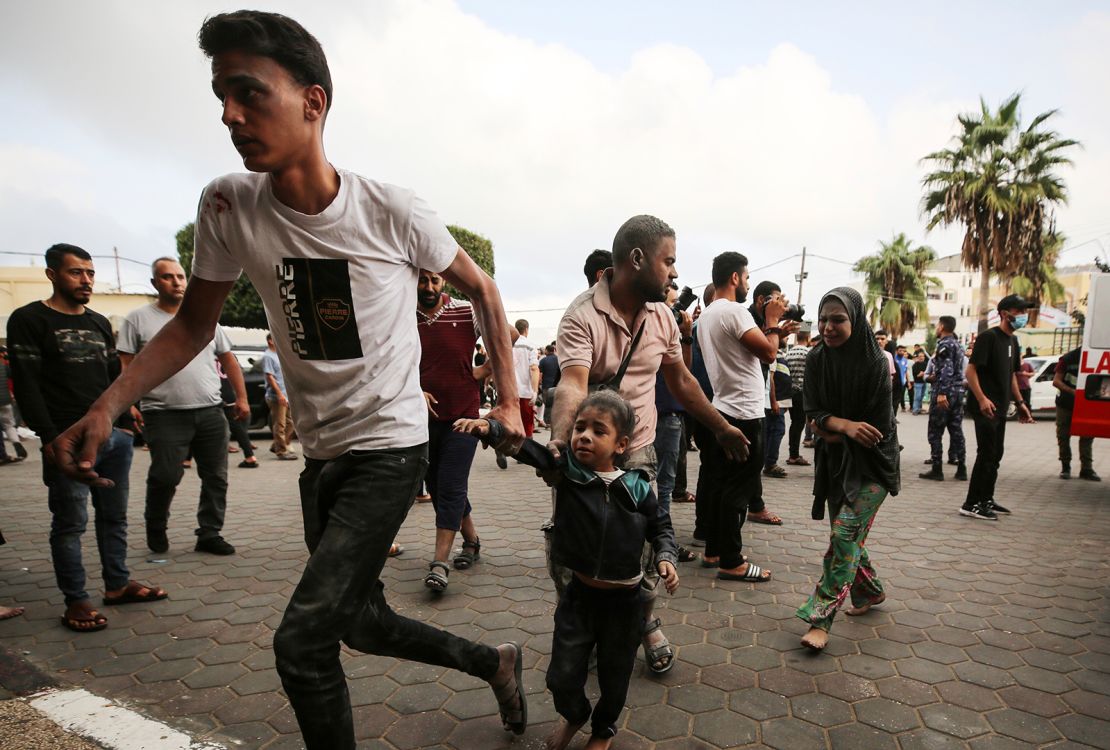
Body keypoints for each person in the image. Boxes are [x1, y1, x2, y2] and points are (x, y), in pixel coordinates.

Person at [45, 12, 528, 749]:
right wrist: (109, 404)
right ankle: (493, 661)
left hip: (391, 451)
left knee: (302, 646)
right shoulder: (228, 205)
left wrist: (514, 406)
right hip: (321, 456)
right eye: (221, 98)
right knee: (360, 623)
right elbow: (191, 327)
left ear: (313, 101)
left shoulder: (390, 208)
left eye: (248, 92)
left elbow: (485, 291)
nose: (230, 115)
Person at [550, 216, 750, 676]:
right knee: (578, 544)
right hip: (586, 454)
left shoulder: (662, 316)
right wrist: (564, 443)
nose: (675, 273)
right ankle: (583, 624)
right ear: (637, 259)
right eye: (670, 261)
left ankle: (644, 621)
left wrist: (719, 427)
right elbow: (572, 385)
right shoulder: (581, 316)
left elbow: (680, 381)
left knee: (639, 546)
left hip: (638, 449)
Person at [456, 391, 678, 750]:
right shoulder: (568, 474)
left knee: (614, 676)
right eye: (580, 427)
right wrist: (490, 429)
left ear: (621, 444)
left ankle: (603, 730)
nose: (584, 436)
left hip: (626, 605)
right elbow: (529, 451)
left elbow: (661, 527)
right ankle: (575, 715)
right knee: (561, 676)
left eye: (598, 431)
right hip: (578, 598)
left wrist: (666, 556)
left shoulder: (637, 487)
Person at [8, 243, 166, 633]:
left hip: (112, 437)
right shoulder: (29, 320)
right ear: (52, 275)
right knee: (70, 523)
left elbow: (115, 376)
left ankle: (116, 585)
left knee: (113, 517)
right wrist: (48, 438)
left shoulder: (97, 322)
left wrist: (127, 421)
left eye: (90, 273)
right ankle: (76, 600)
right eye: (76, 272)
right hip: (66, 440)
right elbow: (26, 386)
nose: (86, 280)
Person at [118, 258, 249, 556]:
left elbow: (228, 359)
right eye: (167, 277)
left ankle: (210, 532)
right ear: (155, 283)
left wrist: (241, 398)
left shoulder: (204, 317)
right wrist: (128, 404)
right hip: (162, 414)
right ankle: (156, 525)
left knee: (216, 476)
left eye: (180, 276)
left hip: (210, 410)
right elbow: (125, 363)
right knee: (166, 475)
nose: (176, 282)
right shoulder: (138, 319)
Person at [796, 287, 899, 651]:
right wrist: (842, 426)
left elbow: (876, 432)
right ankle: (870, 591)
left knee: (843, 535)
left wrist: (829, 427)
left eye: (837, 320)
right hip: (835, 466)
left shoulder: (876, 361)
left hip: (874, 466)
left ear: (855, 319)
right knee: (849, 537)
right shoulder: (816, 360)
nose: (827, 327)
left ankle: (820, 619)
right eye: (823, 319)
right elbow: (812, 418)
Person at [697, 253, 798, 583]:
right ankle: (732, 561)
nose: (749, 283)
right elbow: (768, 353)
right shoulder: (735, 310)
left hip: (723, 406)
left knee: (720, 484)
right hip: (744, 412)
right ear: (736, 279)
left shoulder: (709, 314)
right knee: (738, 489)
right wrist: (770, 323)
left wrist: (774, 330)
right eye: (748, 277)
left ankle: (713, 550)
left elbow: (746, 352)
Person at [416, 269, 488, 592]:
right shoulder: (402, 314)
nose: (429, 286)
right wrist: (415, 389)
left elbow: (509, 335)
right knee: (435, 482)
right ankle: (471, 541)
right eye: (422, 279)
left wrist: (481, 370)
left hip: (464, 415)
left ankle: (439, 562)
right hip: (423, 418)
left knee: (451, 482)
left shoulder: (466, 310)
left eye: (434, 280)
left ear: (444, 281)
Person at [960, 295, 1034, 520]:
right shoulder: (989, 337)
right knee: (986, 453)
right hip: (986, 406)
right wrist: (982, 398)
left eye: (1024, 311)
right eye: (1018, 311)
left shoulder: (1013, 341)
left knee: (996, 454)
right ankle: (970, 503)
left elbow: (1011, 375)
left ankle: (986, 499)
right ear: (1004, 313)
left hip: (1001, 407)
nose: (1023, 315)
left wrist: (1020, 403)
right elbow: (970, 371)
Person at [919, 316, 967, 481]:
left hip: (945, 393)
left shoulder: (945, 345)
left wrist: (941, 393)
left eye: (937, 326)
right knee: (956, 431)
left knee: (935, 431)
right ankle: (962, 468)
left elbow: (946, 369)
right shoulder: (959, 345)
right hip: (958, 392)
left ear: (941, 326)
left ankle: (937, 468)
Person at [1052, 347, 1100, 481]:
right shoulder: (1068, 358)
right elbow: (1056, 381)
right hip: (1066, 403)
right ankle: (1065, 467)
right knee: (1063, 435)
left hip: (1087, 404)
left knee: (1087, 435)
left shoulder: (1097, 357)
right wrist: (1073, 392)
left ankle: (1086, 469)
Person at [261, 333, 296, 460]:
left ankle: (277, 445)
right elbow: (269, 377)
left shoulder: (279, 354)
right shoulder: (268, 356)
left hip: (286, 394)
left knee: (291, 422)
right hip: (276, 396)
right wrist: (280, 394)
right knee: (280, 424)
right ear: (270, 341)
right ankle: (281, 451)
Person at [218, 358, 258, 468]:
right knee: (237, 426)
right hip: (228, 394)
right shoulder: (227, 355)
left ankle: (187, 459)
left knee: (197, 423)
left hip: (216, 394)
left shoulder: (203, 354)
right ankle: (249, 455)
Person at [762, 345, 793, 478]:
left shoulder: (774, 353)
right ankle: (770, 463)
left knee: (770, 431)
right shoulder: (770, 353)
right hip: (774, 401)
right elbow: (771, 379)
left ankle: (767, 462)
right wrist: (775, 401)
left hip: (774, 400)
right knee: (777, 430)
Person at [783, 330, 812, 467]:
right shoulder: (808, 353)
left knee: (794, 424)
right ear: (808, 338)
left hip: (791, 392)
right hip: (802, 392)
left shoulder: (789, 353)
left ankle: (792, 453)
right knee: (799, 424)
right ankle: (794, 455)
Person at [0, 347, 28, 464]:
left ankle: (1, 454)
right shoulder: (3, 366)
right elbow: (14, 377)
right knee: (9, 425)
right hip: (5, 400)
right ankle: (17, 444)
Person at [539, 344, 561, 424]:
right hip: (557, 385)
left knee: (547, 404)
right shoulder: (559, 360)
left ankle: (547, 421)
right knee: (556, 404)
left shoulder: (543, 360)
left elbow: (540, 374)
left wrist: (539, 384)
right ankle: (555, 422)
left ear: (547, 351)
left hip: (546, 386)